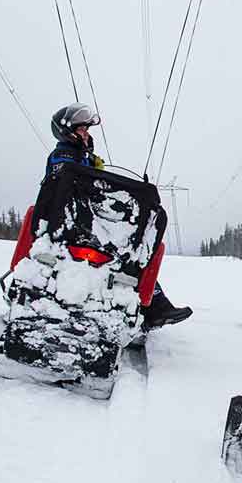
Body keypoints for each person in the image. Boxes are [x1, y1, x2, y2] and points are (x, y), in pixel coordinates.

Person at [47, 103, 192, 329]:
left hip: (87, 223)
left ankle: (154, 304)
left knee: (134, 253)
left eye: (87, 129)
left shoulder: (82, 156)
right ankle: (154, 306)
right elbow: (68, 186)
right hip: (72, 225)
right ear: (68, 132)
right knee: (130, 256)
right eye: (82, 129)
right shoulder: (63, 155)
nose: (86, 134)